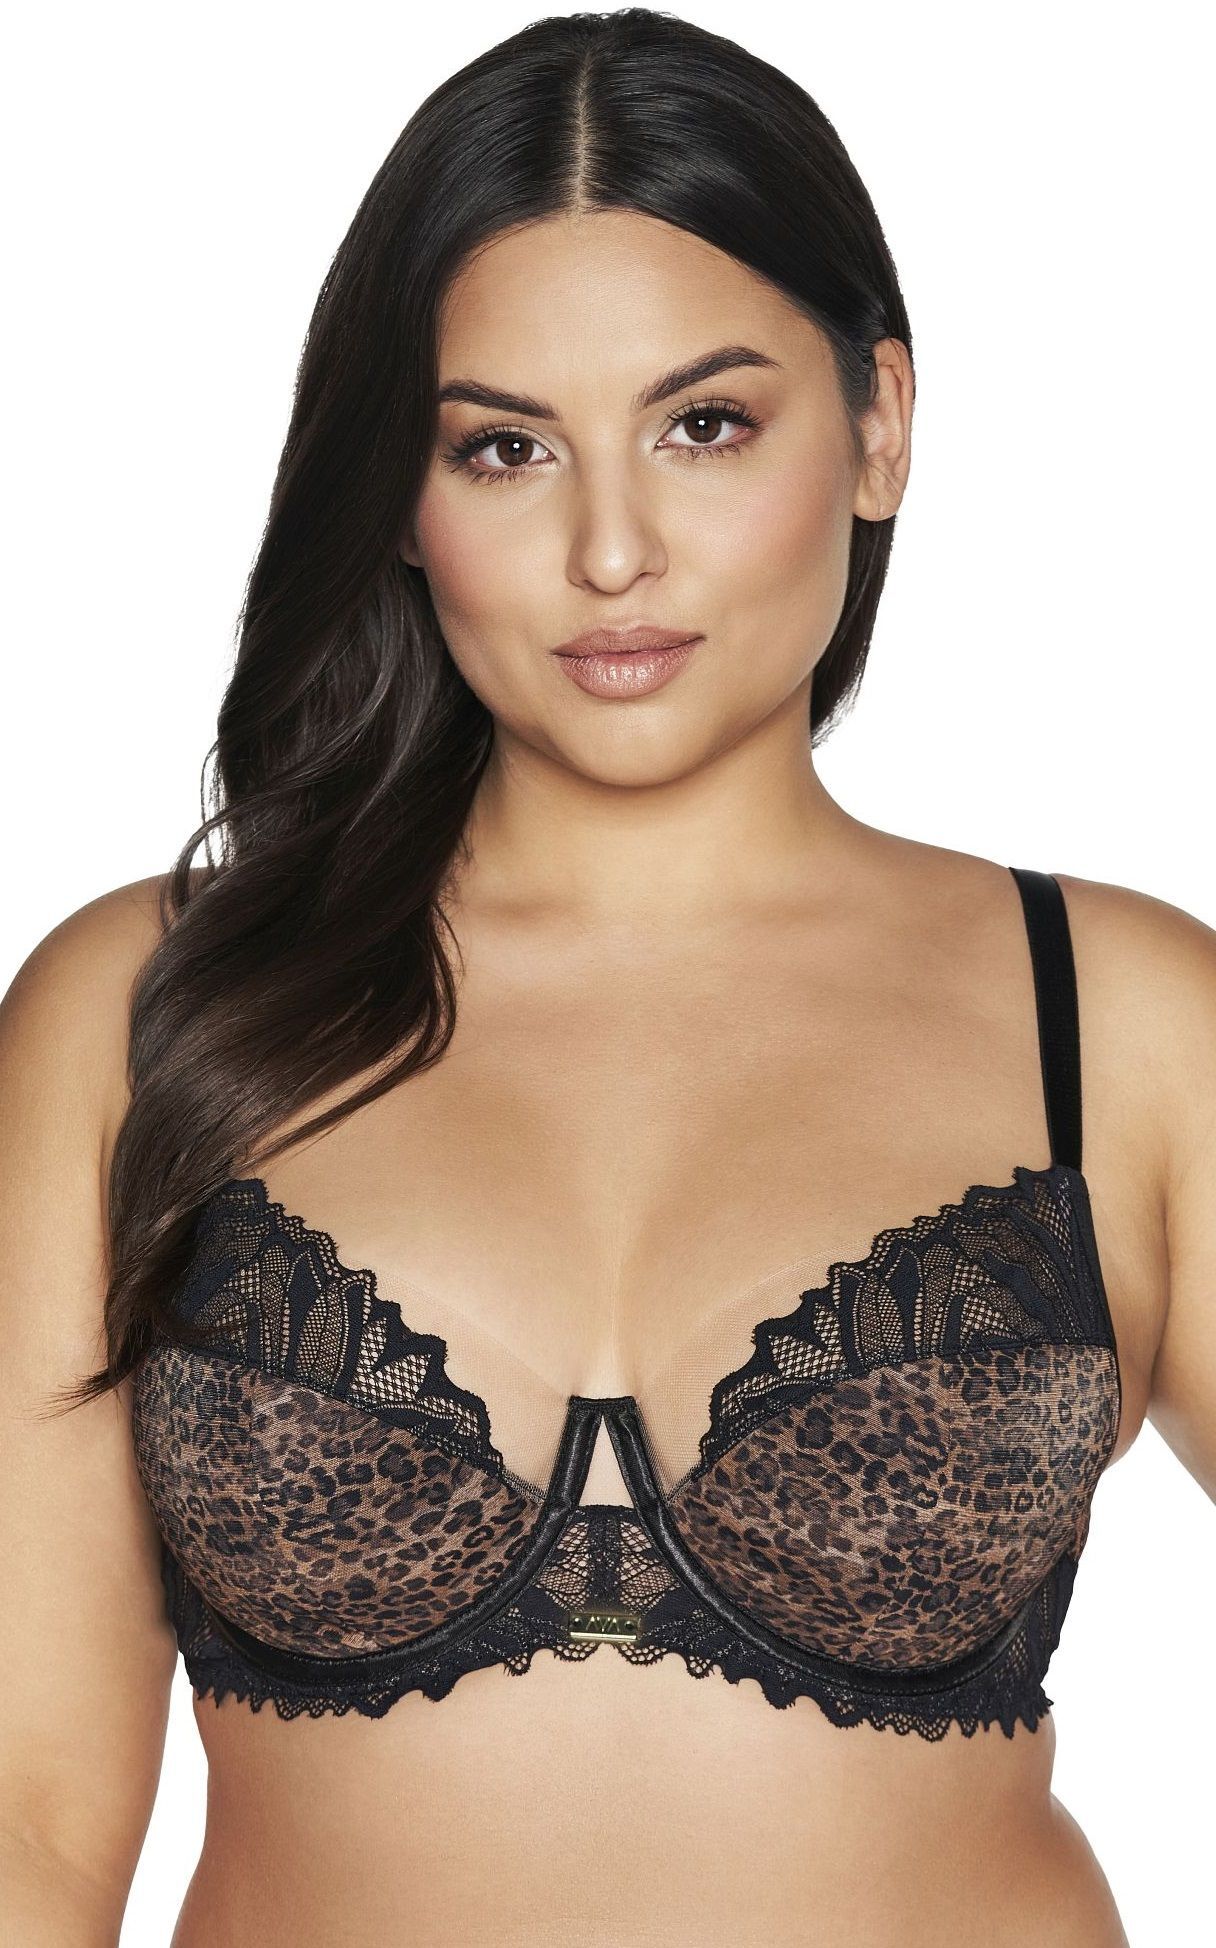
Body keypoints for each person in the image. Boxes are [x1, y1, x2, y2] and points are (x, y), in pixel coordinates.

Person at [2, 10, 1212, 1946]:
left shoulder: (1122, 1022)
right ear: (401, 497)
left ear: (878, 424)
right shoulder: (144, 1012)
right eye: (503, 449)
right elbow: (36, 1824)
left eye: (702, 425)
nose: (611, 549)